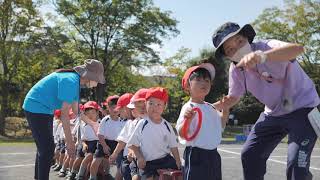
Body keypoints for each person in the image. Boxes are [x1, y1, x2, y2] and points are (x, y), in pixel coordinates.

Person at [212, 22, 320, 180]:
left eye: (239, 41)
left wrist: (262, 56)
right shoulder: (236, 69)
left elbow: (298, 49)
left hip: (303, 108)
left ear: (247, 38)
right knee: (250, 155)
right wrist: (210, 106)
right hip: (273, 113)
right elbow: (234, 97)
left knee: (297, 164)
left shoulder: (267, 45)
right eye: (230, 49)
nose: (237, 48)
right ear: (228, 56)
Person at [23, 59, 105, 180]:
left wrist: (92, 124)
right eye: (97, 80)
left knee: (45, 148)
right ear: (89, 76)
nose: (97, 83)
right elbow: (64, 116)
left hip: (44, 109)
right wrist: (70, 143)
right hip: (36, 106)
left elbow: (76, 110)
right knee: (47, 148)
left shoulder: (75, 83)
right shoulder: (70, 81)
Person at [175, 63, 229, 180]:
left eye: (207, 80)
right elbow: (182, 133)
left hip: (214, 155)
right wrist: (187, 121)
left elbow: (221, 125)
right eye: (198, 79)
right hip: (196, 155)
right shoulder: (188, 107)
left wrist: (225, 110)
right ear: (188, 86)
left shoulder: (211, 107)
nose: (204, 83)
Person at [128, 87, 181, 180]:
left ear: (164, 106)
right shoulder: (142, 123)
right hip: (148, 162)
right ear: (146, 104)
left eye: (159, 104)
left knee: (177, 176)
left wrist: (178, 160)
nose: (154, 107)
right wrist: (140, 157)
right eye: (151, 103)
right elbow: (133, 145)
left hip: (165, 159)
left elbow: (173, 146)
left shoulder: (166, 125)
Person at [110, 88, 149, 180]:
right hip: (130, 158)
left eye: (133, 108)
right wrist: (115, 154)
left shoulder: (148, 122)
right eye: (132, 108)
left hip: (146, 158)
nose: (133, 111)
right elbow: (123, 141)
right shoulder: (131, 123)